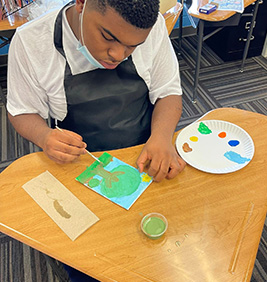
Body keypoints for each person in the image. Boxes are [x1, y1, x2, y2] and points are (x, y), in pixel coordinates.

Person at [7, 0, 186, 184]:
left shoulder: (151, 27)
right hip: (77, 163)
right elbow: (22, 111)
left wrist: (162, 137)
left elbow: (168, 92)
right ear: (81, 4)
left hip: (144, 153)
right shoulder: (31, 41)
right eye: (108, 38)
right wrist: (44, 136)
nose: (118, 55)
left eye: (133, 46)